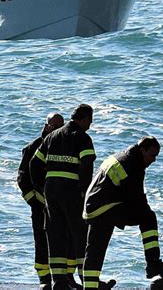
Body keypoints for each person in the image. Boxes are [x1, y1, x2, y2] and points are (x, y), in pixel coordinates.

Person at [30, 104, 113, 290]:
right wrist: (85, 192)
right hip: (72, 193)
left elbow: (34, 164)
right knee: (81, 235)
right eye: (89, 121)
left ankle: (59, 282)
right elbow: (86, 167)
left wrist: (42, 188)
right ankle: (88, 281)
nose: (90, 126)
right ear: (83, 119)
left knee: (56, 236)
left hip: (51, 193)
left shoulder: (52, 136)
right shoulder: (83, 138)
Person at [82, 136, 163, 289]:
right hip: (105, 208)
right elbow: (137, 199)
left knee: (95, 251)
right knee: (148, 217)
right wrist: (144, 211)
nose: (154, 160)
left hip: (92, 207)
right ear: (142, 150)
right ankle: (153, 264)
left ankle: (90, 286)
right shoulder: (133, 165)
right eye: (152, 155)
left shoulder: (122, 156)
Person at [17, 112, 65, 289]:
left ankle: (64, 278)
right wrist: (35, 202)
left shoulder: (64, 146)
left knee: (64, 241)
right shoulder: (34, 147)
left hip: (60, 205)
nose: (58, 130)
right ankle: (44, 279)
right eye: (54, 126)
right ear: (46, 127)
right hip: (40, 206)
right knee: (42, 241)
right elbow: (23, 178)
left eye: (61, 126)